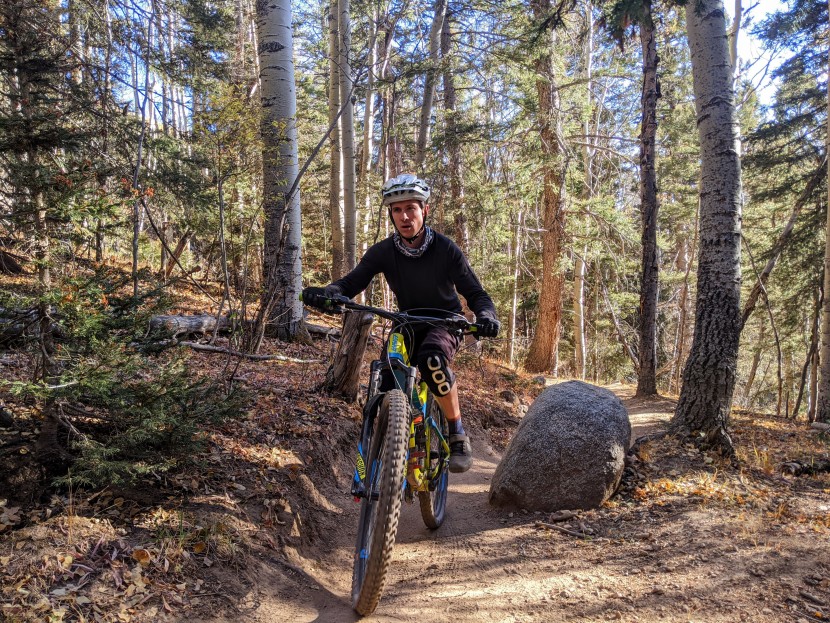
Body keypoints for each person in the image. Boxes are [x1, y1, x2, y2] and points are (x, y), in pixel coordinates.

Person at [303, 173, 499, 473]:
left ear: (425, 211)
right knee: (386, 376)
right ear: (391, 215)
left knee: (431, 360)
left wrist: (486, 317)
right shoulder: (384, 251)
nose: (405, 216)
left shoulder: (446, 249)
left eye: (411, 208)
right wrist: (330, 294)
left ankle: (457, 432)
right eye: (397, 210)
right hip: (405, 322)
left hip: (444, 323)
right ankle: (393, 439)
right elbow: (352, 281)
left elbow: (476, 293)